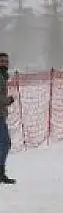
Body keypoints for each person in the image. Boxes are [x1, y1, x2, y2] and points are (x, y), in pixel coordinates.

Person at [0, 52, 14, 184]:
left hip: (2, 114)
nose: (4, 63)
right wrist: (8, 100)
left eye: (6, 61)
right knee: (5, 143)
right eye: (2, 61)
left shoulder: (3, 76)